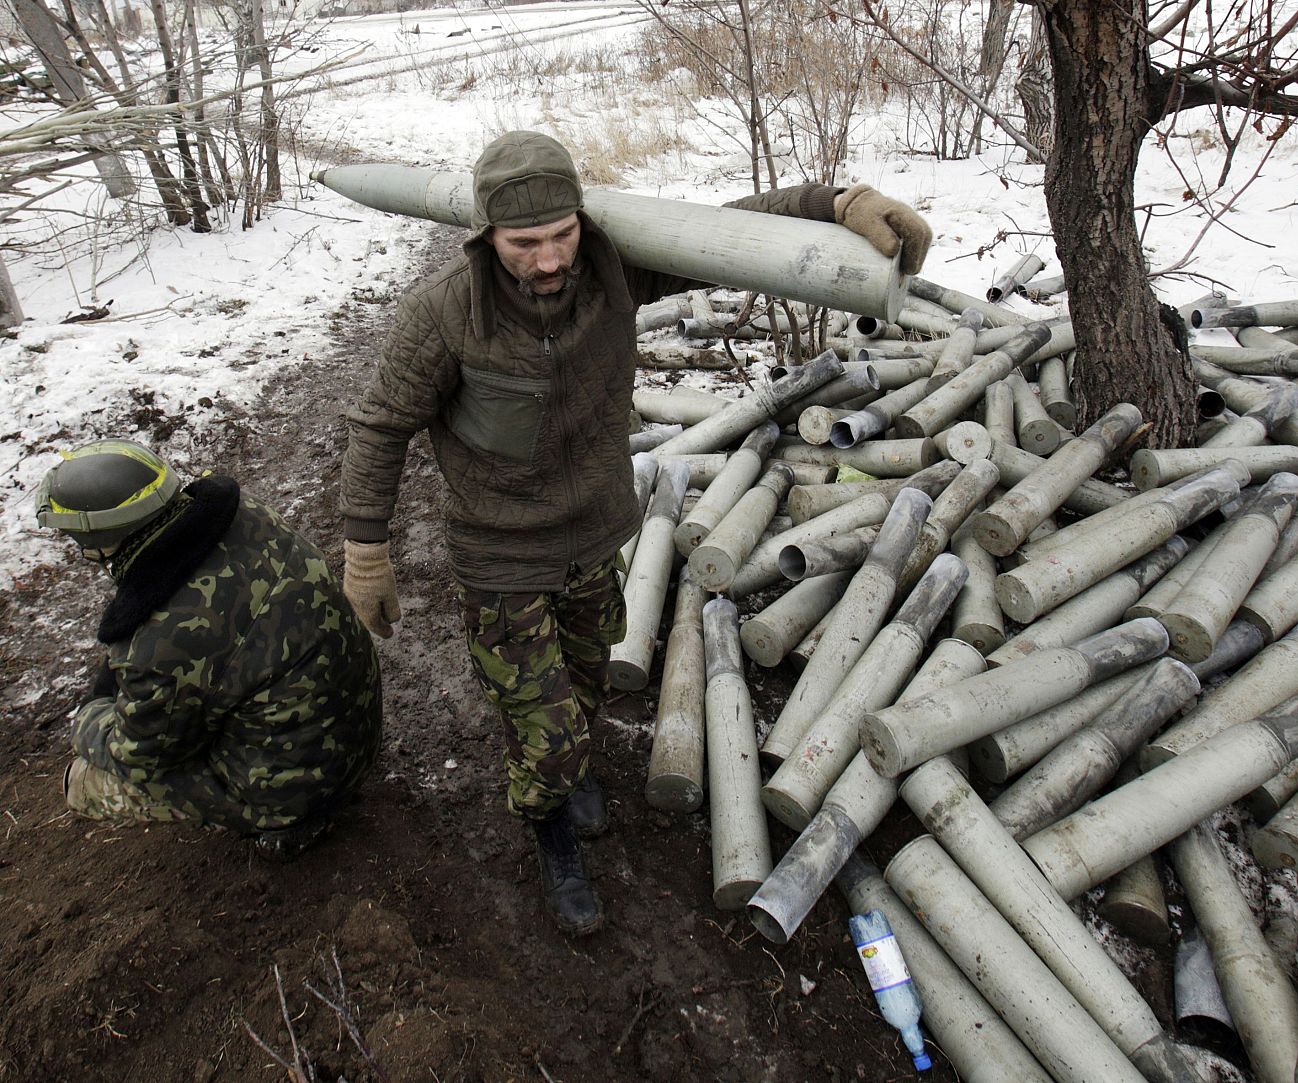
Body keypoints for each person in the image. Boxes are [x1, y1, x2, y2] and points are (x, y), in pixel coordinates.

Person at [338, 130, 931, 936]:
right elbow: (379, 426)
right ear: (485, 235)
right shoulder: (444, 312)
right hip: (500, 552)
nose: (549, 261)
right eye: (524, 244)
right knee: (542, 730)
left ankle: (568, 763)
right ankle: (551, 826)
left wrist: (837, 204)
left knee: (583, 682)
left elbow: (731, 233)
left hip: (595, 534)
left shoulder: (616, 268)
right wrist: (365, 547)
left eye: (561, 236)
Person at [34, 439, 383, 860]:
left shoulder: (162, 641)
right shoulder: (243, 515)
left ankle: (291, 820)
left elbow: (140, 756)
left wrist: (89, 714)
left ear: (98, 540)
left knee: (84, 782)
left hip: (303, 784)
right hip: (357, 729)